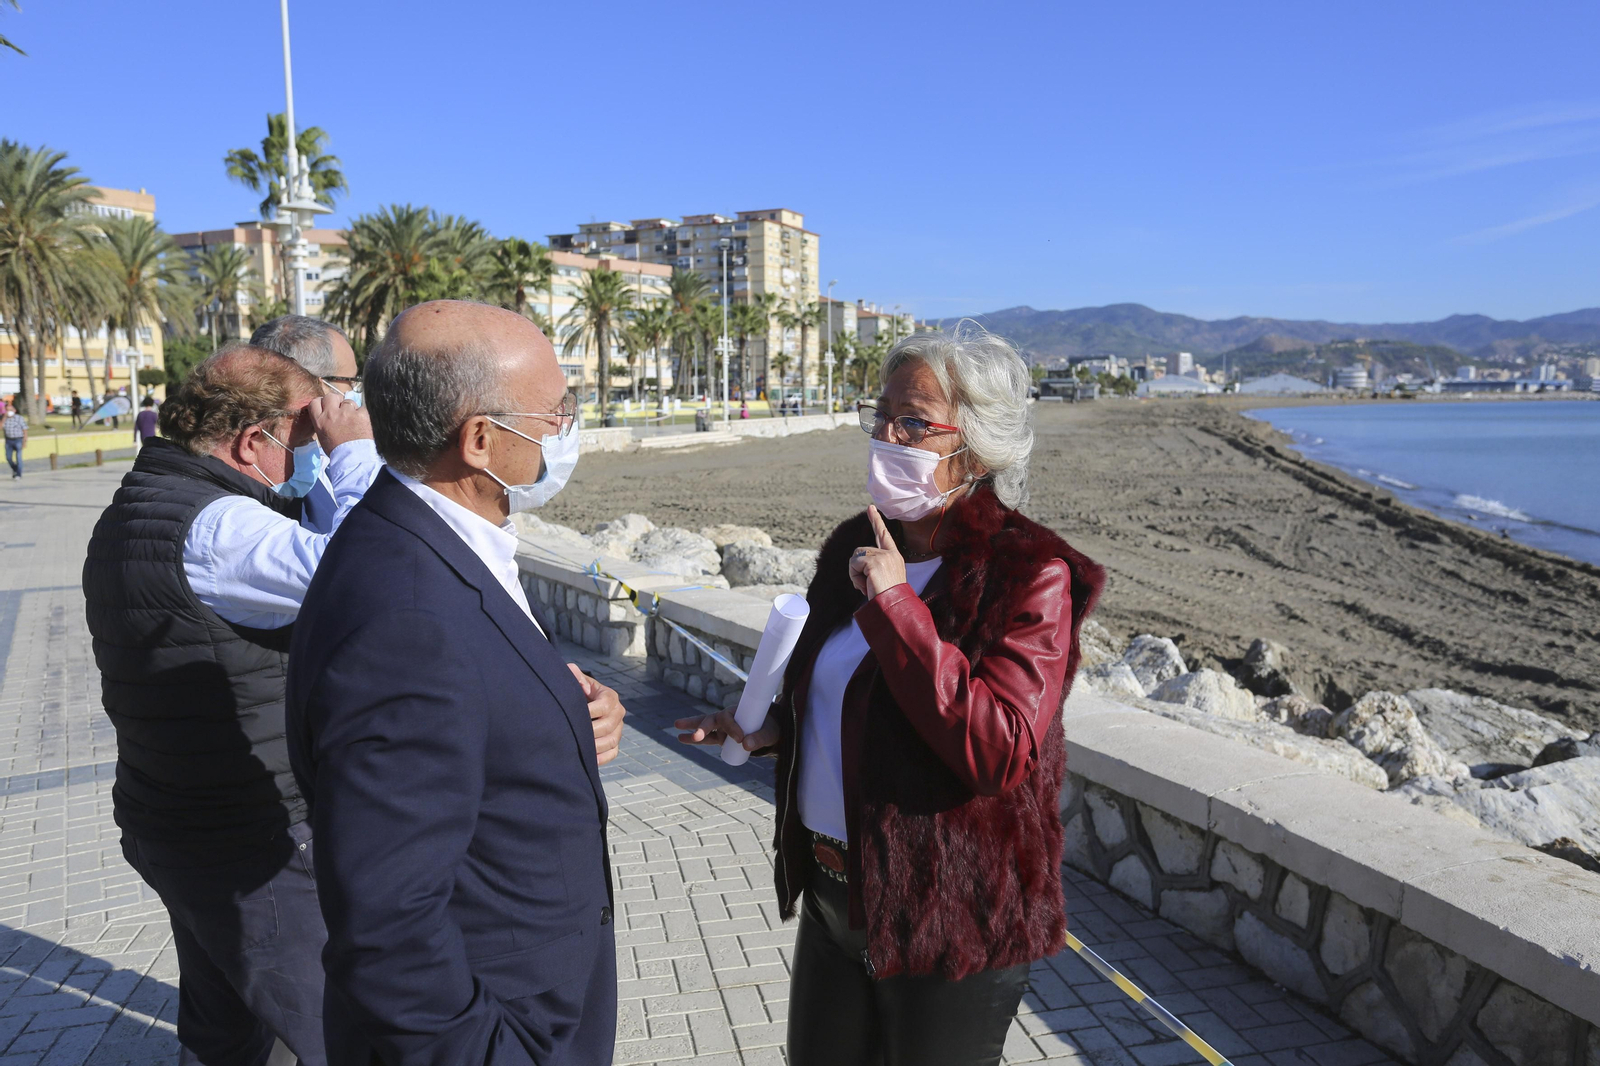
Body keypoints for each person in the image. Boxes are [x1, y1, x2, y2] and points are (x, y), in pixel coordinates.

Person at [676, 327, 1106, 1066]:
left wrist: (897, 607)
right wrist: (768, 730)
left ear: (975, 446)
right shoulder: (862, 543)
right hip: (836, 896)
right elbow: (844, 698)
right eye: (881, 415)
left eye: (912, 420)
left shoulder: (1028, 573)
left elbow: (999, 750)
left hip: (952, 922)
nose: (885, 434)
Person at [286, 301, 625, 1066]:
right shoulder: (406, 615)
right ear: (479, 440)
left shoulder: (432, 539)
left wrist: (565, 712)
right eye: (556, 411)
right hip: (501, 1024)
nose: (566, 428)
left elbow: (468, 709)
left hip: (532, 994)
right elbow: (388, 923)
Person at [83, 343, 381, 1066]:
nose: (310, 455)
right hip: (250, 840)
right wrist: (356, 456)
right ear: (254, 440)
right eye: (305, 437)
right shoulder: (221, 530)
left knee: (228, 1032)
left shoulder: (143, 503)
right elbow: (376, 566)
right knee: (346, 1033)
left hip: (178, 820)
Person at [250, 314, 374, 533]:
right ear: (316, 385)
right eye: (351, 381)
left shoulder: (325, 455)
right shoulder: (278, 474)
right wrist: (353, 452)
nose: (356, 392)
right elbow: (364, 539)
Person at [3, 402, 25, 478]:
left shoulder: (19, 418)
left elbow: (25, 430)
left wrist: (24, 441)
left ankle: (18, 474)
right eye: (7, 410)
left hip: (18, 439)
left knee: (18, 458)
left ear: (14, 410)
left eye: (10, 410)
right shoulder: (4, 418)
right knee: (8, 458)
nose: (9, 412)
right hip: (9, 441)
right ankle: (15, 469)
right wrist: (4, 418)